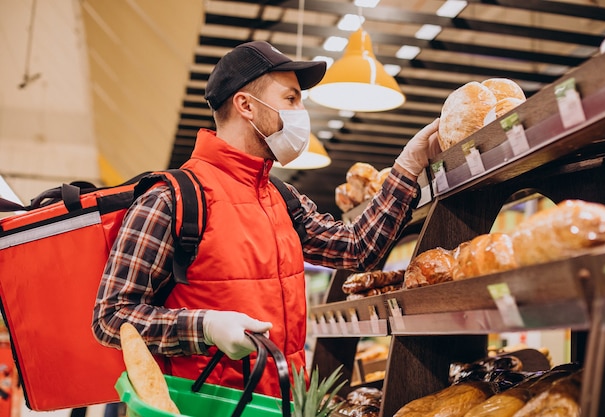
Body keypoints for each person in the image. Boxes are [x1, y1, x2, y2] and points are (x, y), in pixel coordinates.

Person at [92, 40, 440, 398]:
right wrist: (205, 326)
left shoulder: (282, 198)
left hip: (284, 402)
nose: (301, 111)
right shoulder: (173, 199)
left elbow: (356, 249)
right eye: (291, 99)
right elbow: (111, 317)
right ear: (246, 105)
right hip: (209, 405)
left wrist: (407, 167)